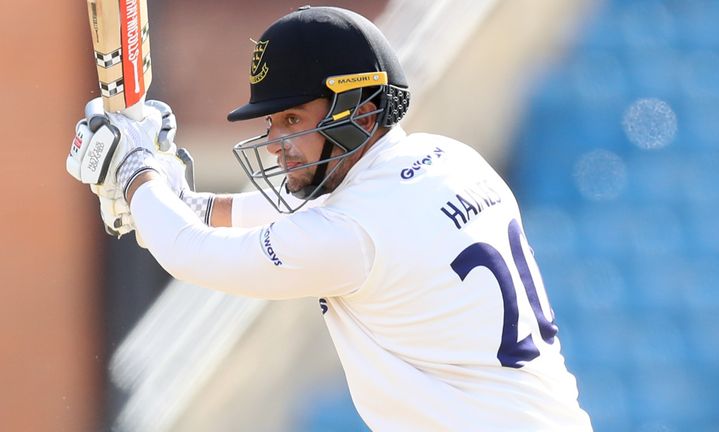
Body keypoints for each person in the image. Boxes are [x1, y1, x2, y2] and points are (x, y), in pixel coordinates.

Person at [67, 6, 592, 431]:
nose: (274, 144)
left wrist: (136, 173)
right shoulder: (449, 160)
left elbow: (189, 253)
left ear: (360, 112)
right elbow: (286, 213)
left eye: (291, 119)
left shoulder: (350, 235)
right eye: (273, 123)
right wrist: (177, 200)